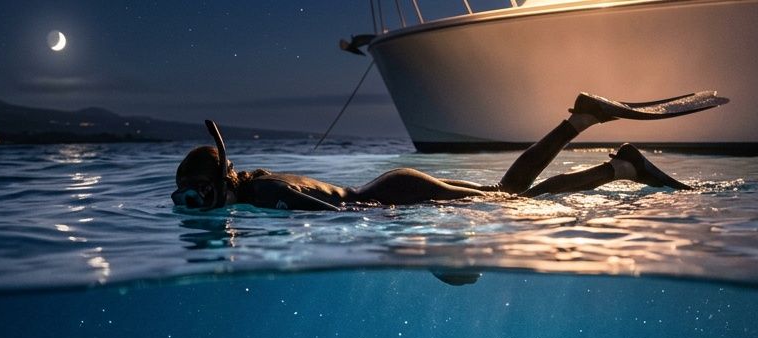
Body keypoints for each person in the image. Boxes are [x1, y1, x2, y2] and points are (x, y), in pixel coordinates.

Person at [171, 91, 727, 211]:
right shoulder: (252, 184)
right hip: (397, 187)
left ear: (217, 180)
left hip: (397, 197)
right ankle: (603, 149)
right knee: (513, 195)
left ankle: (610, 157)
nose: (194, 202)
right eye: (186, 197)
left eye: (197, 193)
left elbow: (334, 212)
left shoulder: (263, 192)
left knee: (515, 201)